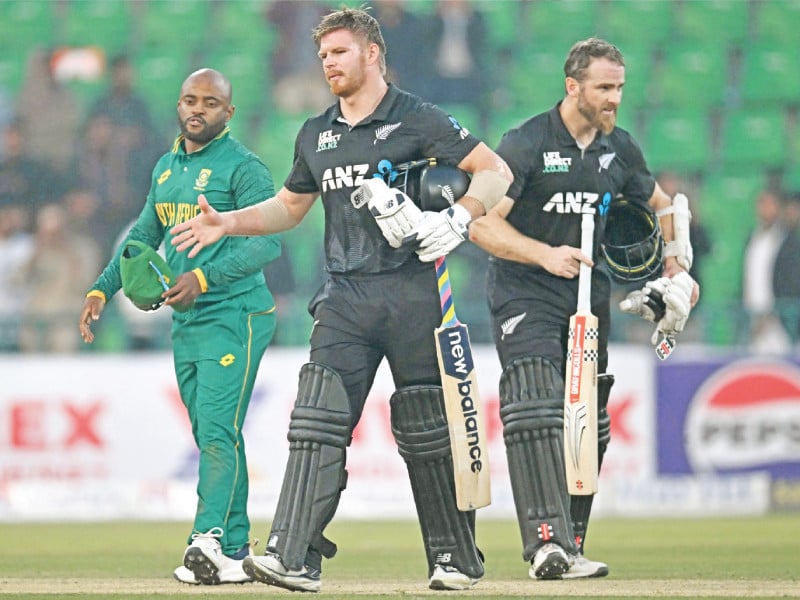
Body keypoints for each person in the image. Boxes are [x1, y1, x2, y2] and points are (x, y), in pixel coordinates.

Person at [169, 7, 512, 592]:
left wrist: (460, 217)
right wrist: (229, 221)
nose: (329, 63)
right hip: (345, 297)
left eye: (340, 52)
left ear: (371, 53)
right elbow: (290, 206)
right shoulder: (315, 133)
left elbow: (495, 171)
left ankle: (455, 558)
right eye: (324, 55)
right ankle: (293, 555)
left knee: (428, 429)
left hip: (414, 295)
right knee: (316, 419)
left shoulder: (418, 118)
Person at [469, 37, 699, 581]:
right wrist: (544, 254)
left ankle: (570, 544)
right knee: (534, 406)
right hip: (525, 292)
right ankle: (544, 543)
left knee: (589, 425)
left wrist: (675, 274)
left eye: (619, 86)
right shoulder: (524, 144)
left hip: (589, 304)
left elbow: (663, 206)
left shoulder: (620, 150)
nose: (614, 97)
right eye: (603, 87)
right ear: (572, 86)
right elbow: (483, 224)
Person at [78, 68, 282, 585]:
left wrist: (203, 277)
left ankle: (206, 537)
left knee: (215, 430)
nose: (198, 109)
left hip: (239, 315)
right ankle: (235, 552)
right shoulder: (167, 168)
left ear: (228, 113)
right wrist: (103, 287)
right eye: (190, 100)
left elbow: (268, 242)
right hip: (189, 318)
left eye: (211, 103)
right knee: (212, 433)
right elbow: (143, 236)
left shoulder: (245, 168)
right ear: (178, 104)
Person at [741, 187, 789, 354]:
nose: (765, 209)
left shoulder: (786, 241)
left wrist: (771, 312)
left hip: (780, 318)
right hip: (753, 317)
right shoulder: (753, 239)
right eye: (762, 204)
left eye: (770, 204)